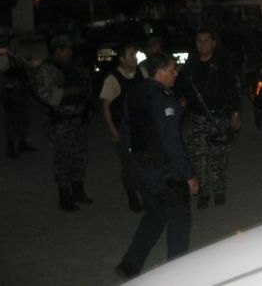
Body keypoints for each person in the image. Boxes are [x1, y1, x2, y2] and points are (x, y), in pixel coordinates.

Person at [115, 53, 199, 279]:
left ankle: (130, 264)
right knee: (178, 221)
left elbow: (125, 133)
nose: (176, 74)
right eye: (172, 69)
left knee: (154, 215)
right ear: (160, 72)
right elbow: (172, 142)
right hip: (165, 173)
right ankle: (177, 276)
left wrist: (130, 166)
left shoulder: (134, 94)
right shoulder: (164, 99)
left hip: (142, 170)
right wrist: (189, 175)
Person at [175, 27, 241, 209]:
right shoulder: (190, 65)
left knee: (220, 156)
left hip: (220, 117)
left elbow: (234, 89)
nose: (202, 44)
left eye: (206, 40)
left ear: (213, 42)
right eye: (199, 40)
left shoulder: (224, 62)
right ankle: (203, 191)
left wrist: (235, 113)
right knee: (199, 156)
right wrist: (182, 99)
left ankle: (219, 189)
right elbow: (181, 87)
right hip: (198, 118)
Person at [35, 34, 93, 212]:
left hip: (77, 119)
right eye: (66, 49)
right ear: (57, 51)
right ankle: (65, 196)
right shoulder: (48, 69)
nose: (70, 52)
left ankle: (78, 190)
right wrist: (70, 91)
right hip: (62, 121)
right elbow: (46, 95)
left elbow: (86, 85)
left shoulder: (72, 66)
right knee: (64, 159)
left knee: (79, 156)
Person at [99, 42, 144, 212]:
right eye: (131, 54)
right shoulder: (113, 79)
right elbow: (105, 107)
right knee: (129, 165)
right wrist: (113, 131)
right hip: (124, 129)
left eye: (135, 54)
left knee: (144, 162)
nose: (135, 58)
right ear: (122, 59)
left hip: (141, 126)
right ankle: (132, 196)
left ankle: (145, 192)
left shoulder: (141, 72)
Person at [1, 35, 37, 159]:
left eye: (18, 43)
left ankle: (22, 143)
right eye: (14, 43)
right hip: (11, 93)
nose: (17, 46)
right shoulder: (5, 59)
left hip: (22, 92)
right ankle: (10, 148)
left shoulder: (18, 58)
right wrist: (10, 81)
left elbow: (30, 69)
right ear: (9, 46)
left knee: (24, 118)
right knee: (12, 120)